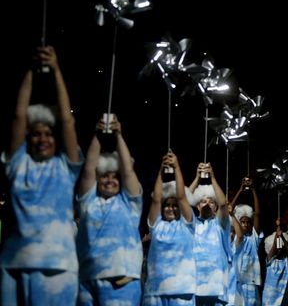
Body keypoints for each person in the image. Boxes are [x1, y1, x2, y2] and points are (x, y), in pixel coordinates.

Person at [0, 46, 82, 305]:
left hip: (58, 267)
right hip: (15, 264)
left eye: (48, 134)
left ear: (55, 140)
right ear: (28, 138)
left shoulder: (65, 167)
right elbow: (18, 116)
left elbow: (68, 122)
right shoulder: (18, 164)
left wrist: (56, 71)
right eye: (36, 133)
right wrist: (31, 73)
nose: (42, 138)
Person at [75, 115, 143, 305]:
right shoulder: (88, 202)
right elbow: (88, 168)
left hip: (121, 280)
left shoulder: (129, 204)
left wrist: (118, 136)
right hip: (87, 280)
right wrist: (98, 136)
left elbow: (128, 171)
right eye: (104, 176)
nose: (110, 180)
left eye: (115, 176)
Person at [143, 151, 196, 305]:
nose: (171, 208)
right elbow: (156, 199)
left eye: (174, 206)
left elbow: (181, 197)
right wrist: (161, 171)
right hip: (155, 290)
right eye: (167, 206)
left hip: (182, 291)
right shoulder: (156, 225)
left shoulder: (187, 225)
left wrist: (177, 167)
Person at [188, 162, 231, 305]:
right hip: (195, 284)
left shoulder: (220, 224)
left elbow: (224, 204)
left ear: (215, 206)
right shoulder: (191, 224)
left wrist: (212, 177)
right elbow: (184, 201)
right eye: (202, 201)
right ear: (197, 205)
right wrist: (197, 178)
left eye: (211, 202)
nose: (207, 204)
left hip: (217, 286)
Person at [230, 177, 263, 305]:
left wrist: (253, 190)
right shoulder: (233, 239)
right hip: (235, 281)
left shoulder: (254, 238)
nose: (245, 224)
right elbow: (229, 210)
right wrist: (240, 190)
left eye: (248, 222)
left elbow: (257, 214)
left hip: (251, 282)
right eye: (242, 222)